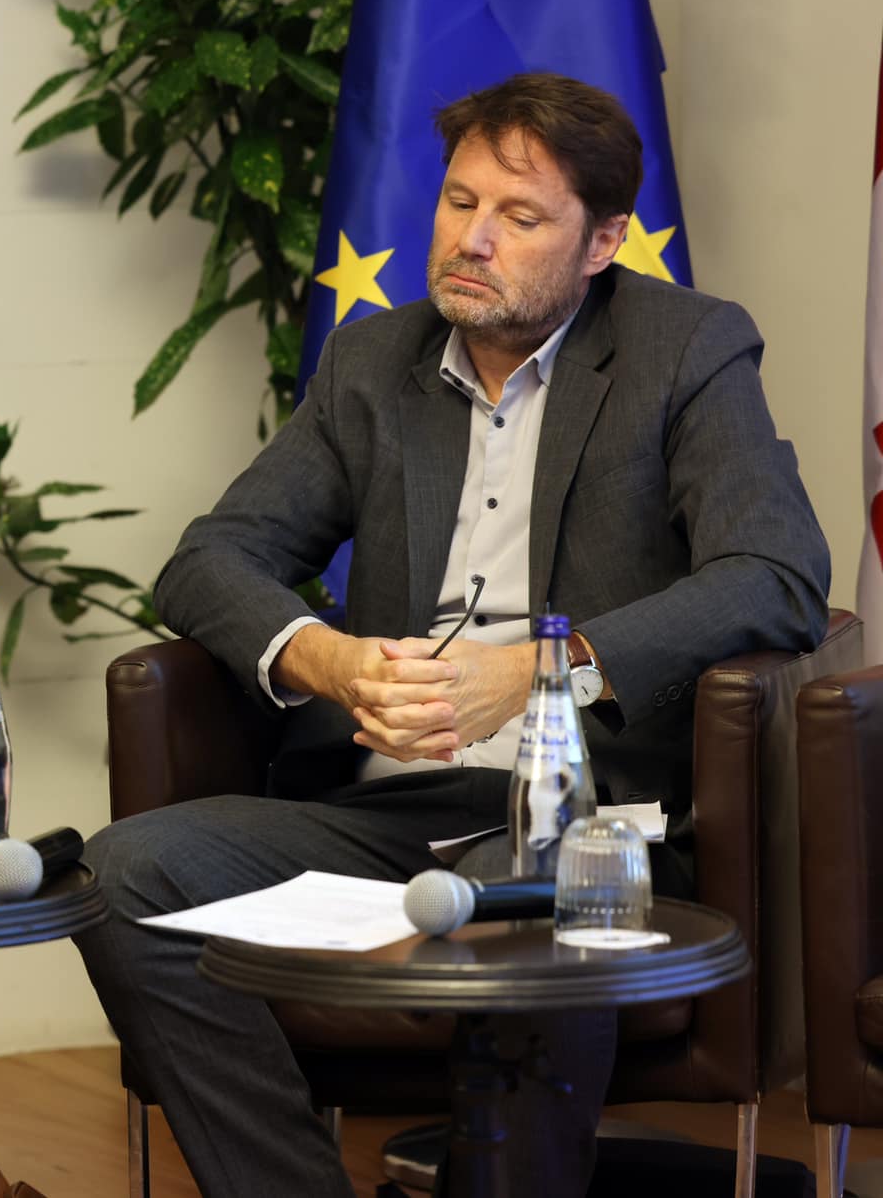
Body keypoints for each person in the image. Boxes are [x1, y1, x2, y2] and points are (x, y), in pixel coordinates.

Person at [74, 73, 830, 1197]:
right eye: (458, 201)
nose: (472, 238)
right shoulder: (372, 363)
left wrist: (535, 676)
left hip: (578, 812)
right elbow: (209, 558)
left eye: (518, 217)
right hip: (386, 805)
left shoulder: (684, 349)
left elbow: (775, 574)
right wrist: (331, 661)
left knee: (528, 876)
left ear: (602, 241)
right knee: (124, 869)